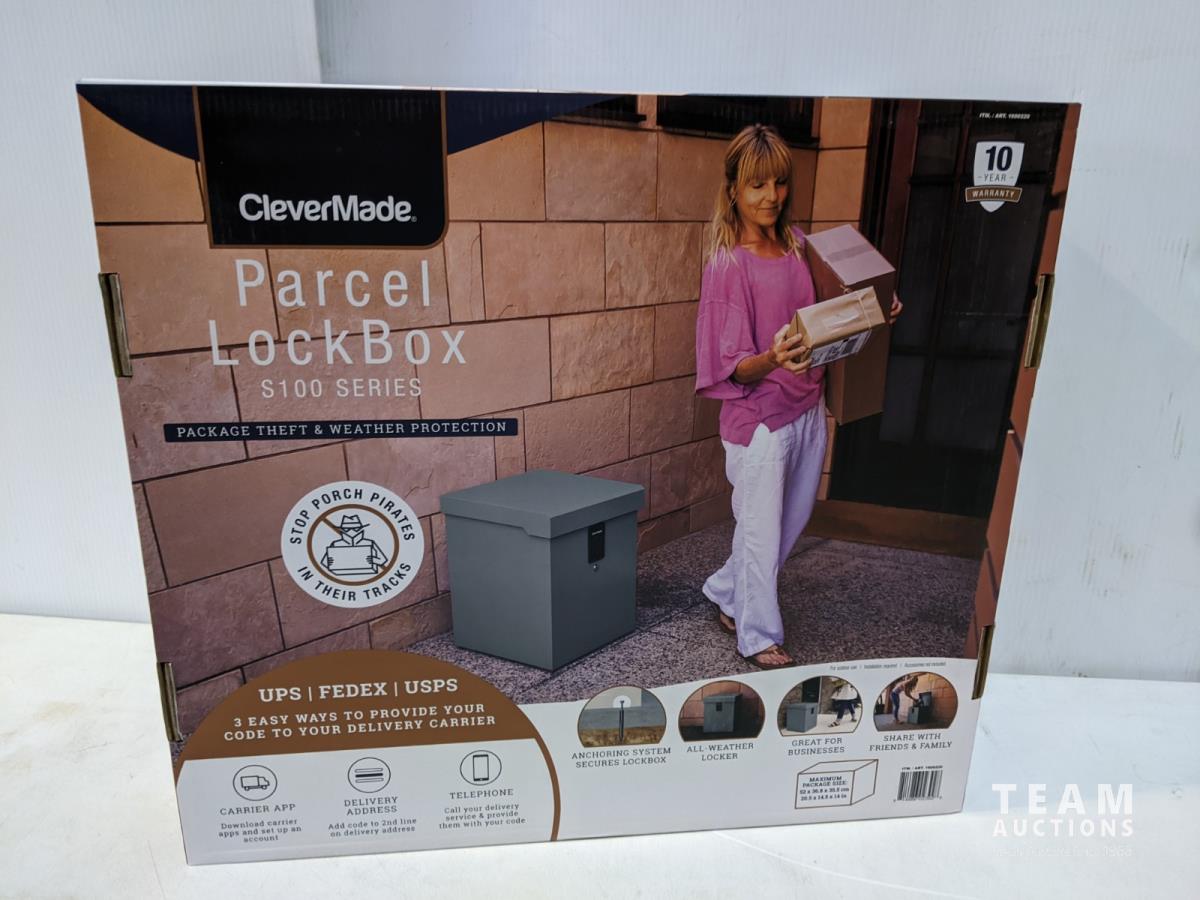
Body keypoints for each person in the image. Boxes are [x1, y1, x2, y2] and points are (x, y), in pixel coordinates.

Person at [695, 124, 901, 670]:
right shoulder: (728, 264)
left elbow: (839, 310)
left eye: (779, 183)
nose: (771, 196)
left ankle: (725, 590)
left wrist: (879, 306)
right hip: (760, 421)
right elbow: (730, 364)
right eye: (757, 184)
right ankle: (758, 635)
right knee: (761, 533)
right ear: (733, 188)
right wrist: (772, 357)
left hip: (807, 405)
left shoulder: (799, 246)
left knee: (789, 523)